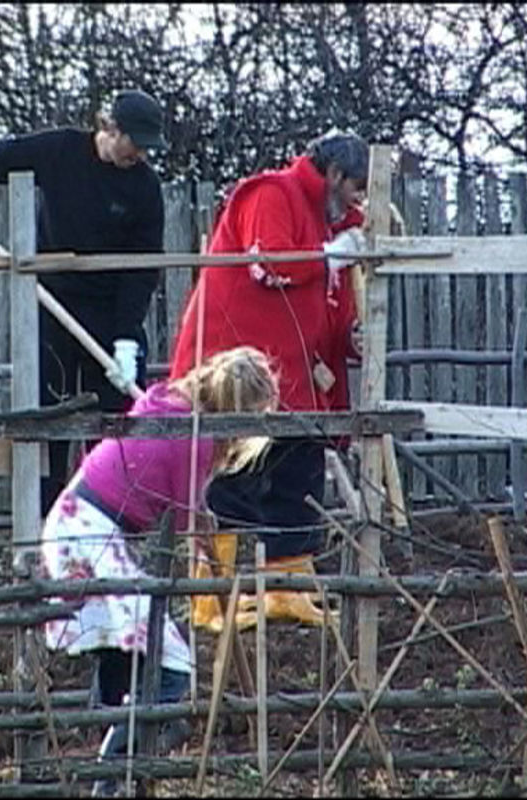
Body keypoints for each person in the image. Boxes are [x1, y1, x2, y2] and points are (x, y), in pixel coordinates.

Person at [37, 346, 278, 793]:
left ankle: (118, 747)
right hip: (89, 535)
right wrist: (203, 529)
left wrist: (199, 516)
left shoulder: (171, 402)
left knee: (131, 652)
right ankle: (110, 779)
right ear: (239, 413)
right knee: (171, 664)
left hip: (76, 520)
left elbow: (181, 503)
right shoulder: (195, 435)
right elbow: (187, 519)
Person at [169, 130, 371, 631]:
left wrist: (351, 338)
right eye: (356, 185)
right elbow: (269, 264)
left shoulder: (339, 230)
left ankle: (286, 590)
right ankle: (209, 598)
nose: (359, 198)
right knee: (233, 478)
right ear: (334, 175)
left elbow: (332, 308)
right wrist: (331, 256)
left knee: (296, 476)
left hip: (295, 375)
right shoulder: (270, 194)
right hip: (238, 368)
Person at [0, 88, 167, 516]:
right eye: (136, 143)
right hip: (52, 304)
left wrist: (127, 341)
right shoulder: (62, 151)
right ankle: (45, 527)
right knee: (50, 419)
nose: (141, 154)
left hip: (109, 314)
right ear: (110, 128)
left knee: (116, 425)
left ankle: (110, 523)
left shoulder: (145, 188)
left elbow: (142, 269)